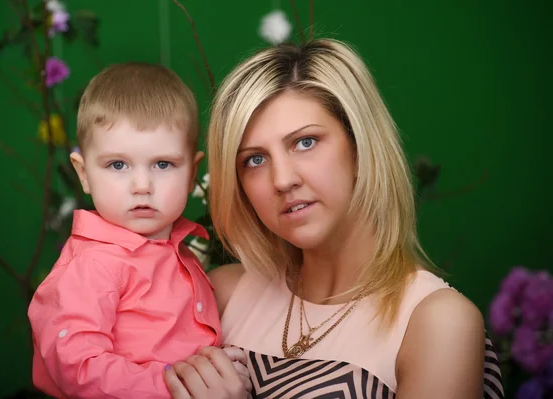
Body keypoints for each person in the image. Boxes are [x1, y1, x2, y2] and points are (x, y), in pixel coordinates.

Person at [164, 39, 505, 398]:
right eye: (255, 160)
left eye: (305, 142)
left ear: (359, 147)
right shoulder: (222, 294)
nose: (282, 180)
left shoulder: (436, 323)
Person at [27, 63, 249, 399]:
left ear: (192, 173)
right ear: (83, 173)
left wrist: (218, 368)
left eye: (163, 164)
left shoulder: (176, 250)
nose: (142, 186)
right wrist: (177, 387)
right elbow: (78, 368)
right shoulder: (92, 266)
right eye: (118, 165)